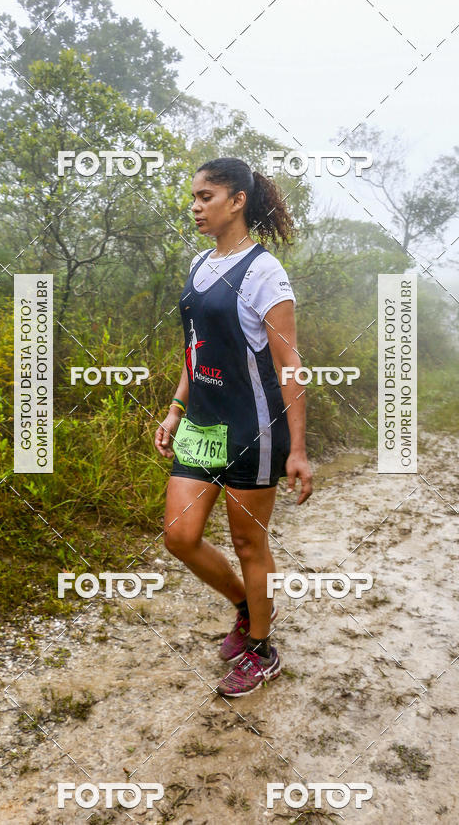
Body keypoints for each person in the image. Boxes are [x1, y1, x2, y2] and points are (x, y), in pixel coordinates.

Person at [155, 157, 312, 697]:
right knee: (180, 536)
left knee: (250, 545)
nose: (195, 207)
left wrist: (299, 449)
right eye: (194, 198)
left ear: (237, 200)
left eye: (206, 197)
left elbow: (289, 364)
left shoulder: (266, 273)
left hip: (254, 428)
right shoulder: (200, 264)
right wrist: (177, 407)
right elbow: (193, 346)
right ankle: (246, 606)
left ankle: (262, 650)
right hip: (201, 422)